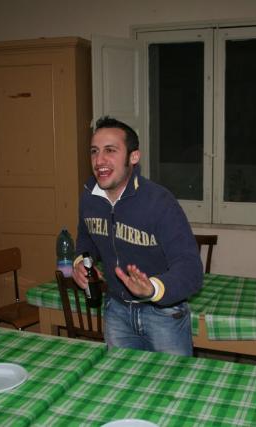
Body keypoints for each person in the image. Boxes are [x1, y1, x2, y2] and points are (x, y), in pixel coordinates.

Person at [72, 116, 203, 356]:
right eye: (94, 151)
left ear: (133, 157)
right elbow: (86, 240)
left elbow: (191, 270)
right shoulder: (89, 198)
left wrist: (152, 288)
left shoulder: (160, 202)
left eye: (110, 150)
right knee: (121, 378)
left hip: (163, 315)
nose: (99, 160)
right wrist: (80, 262)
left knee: (171, 379)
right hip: (116, 311)